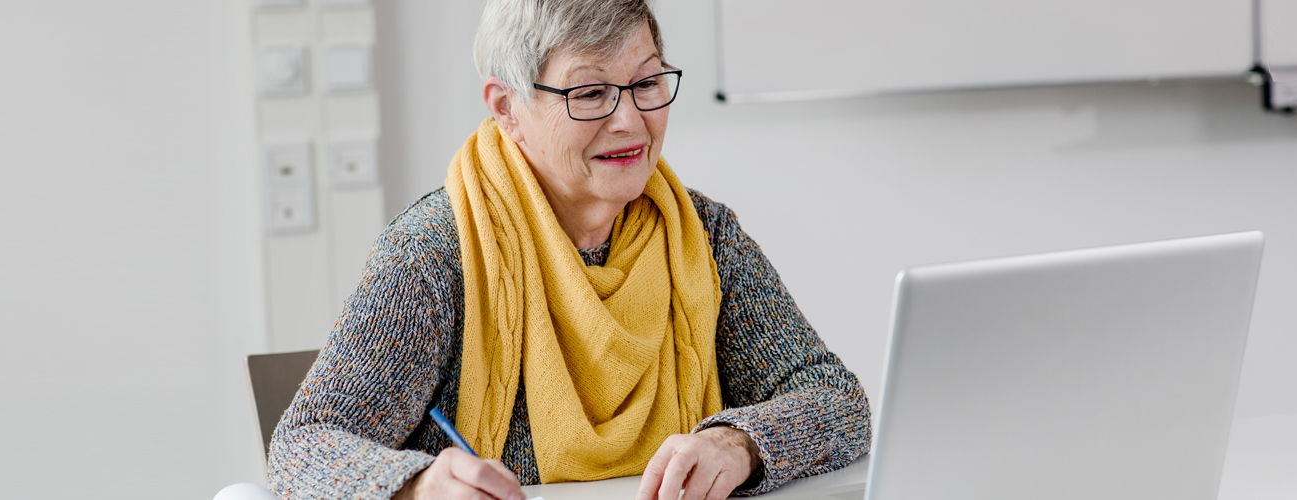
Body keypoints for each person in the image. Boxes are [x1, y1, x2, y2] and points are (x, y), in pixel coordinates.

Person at [265, 1, 869, 499]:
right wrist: (416, 486)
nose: (631, 121)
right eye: (590, 93)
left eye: (647, 82)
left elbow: (837, 400)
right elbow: (302, 446)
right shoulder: (435, 252)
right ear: (507, 109)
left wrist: (739, 441)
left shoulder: (704, 235)